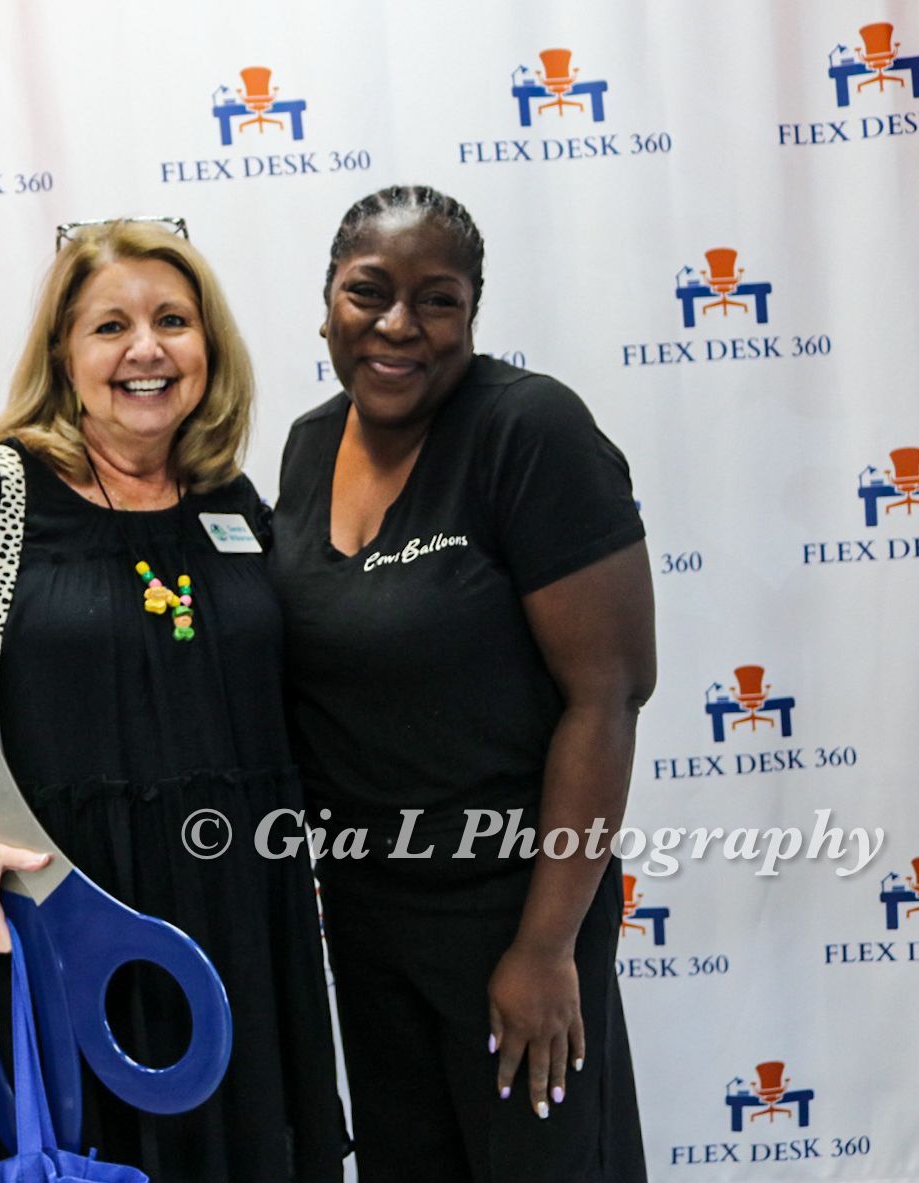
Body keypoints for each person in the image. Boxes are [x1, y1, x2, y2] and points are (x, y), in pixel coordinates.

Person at [0, 218, 347, 1182]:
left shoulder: (231, 502)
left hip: (240, 922)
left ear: (208, 347)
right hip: (58, 926)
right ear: (64, 356)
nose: (145, 350)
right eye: (110, 326)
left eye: (172, 320)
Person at [270, 185, 655, 1182]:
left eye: (434, 299)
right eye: (367, 292)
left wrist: (543, 947)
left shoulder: (528, 431)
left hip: (512, 906)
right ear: (325, 300)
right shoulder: (309, 445)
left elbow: (605, 695)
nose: (396, 325)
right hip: (363, 911)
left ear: (472, 312)